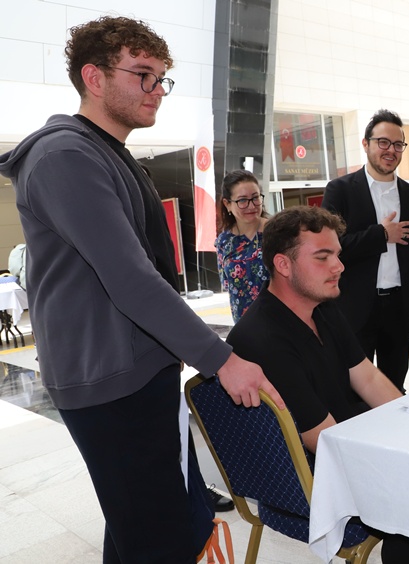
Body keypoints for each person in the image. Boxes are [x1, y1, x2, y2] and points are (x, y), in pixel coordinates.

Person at [0, 16, 283, 563]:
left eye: (161, 78)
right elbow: (130, 278)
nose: (156, 90)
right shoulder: (66, 157)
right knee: (162, 538)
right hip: (110, 380)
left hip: (134, 368)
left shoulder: (108, 152)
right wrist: (221, 360)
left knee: (141, 532)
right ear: (94, 77)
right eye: (142, 75)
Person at [226, 205, 409, 562]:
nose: (339, 266)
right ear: (283, 265)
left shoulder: (320, 307)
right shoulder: (263, 338)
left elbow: (367, 377)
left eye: (337, 255)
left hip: (343, 442)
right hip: (315, 476)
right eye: (323, 257)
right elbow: (324, 440)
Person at [322, 109, 409, 393]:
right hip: (354, 308)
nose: (391, 150)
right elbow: (331, 249)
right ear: (366, 144)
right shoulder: (340, 191)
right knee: (352, 391)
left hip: (399, 308)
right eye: (383, 142)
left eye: (398, 144)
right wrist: (381, 235)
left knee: (394, 388)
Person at [216, 170, 270, 322]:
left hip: (279, 319)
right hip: (244, 323)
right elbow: (226, 283)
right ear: (227, 204)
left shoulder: (278, 231)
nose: (251, 206)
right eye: (242, 200)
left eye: (255, 198)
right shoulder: (224, 241)